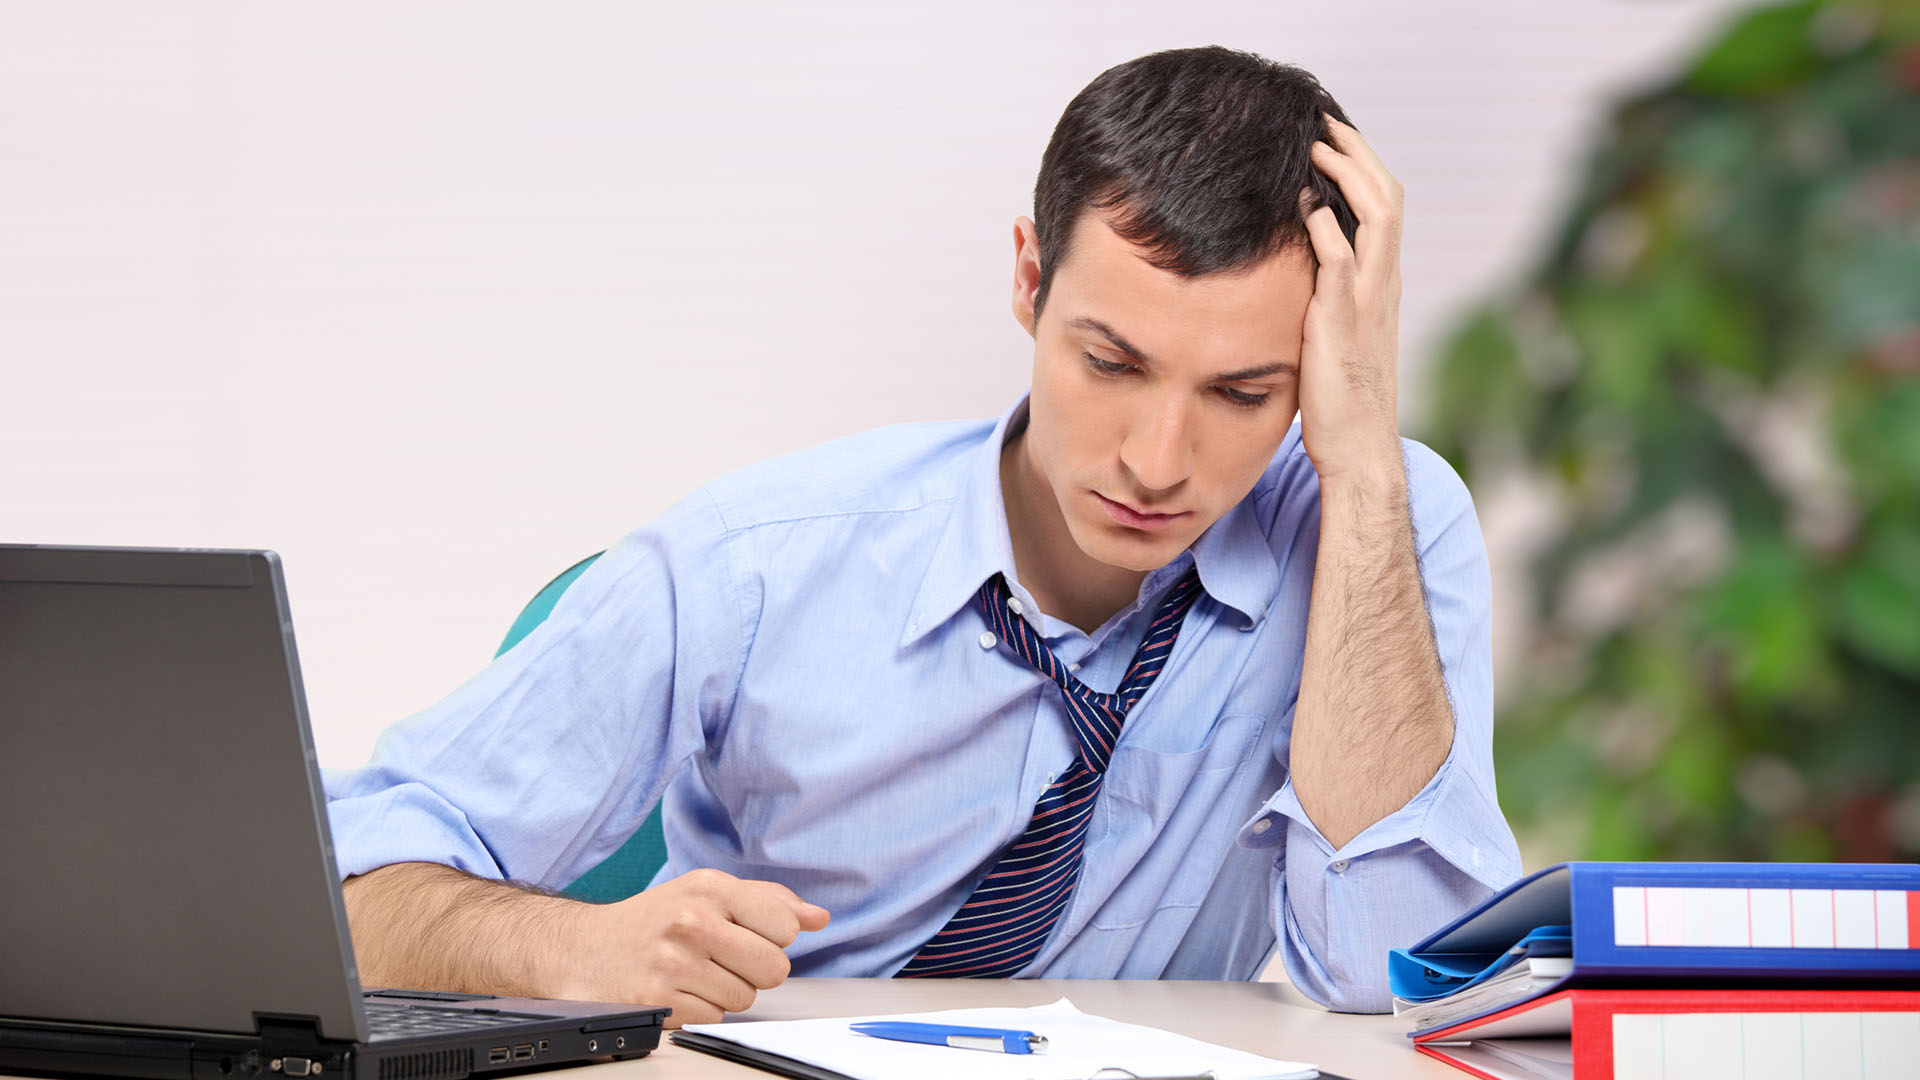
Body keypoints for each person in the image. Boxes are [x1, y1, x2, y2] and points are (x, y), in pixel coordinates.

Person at [323, 45, 1521, 1025]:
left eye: (1243, 394)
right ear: (1028, 281)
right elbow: (343, 887)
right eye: (1110, 362)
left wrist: (1362, 466)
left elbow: (1397, 973)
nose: (1159, 462)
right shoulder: (755, 565)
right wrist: (572, 945)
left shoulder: (1366, 526)